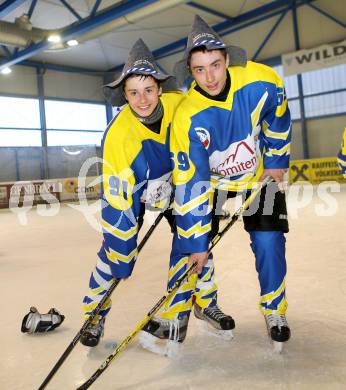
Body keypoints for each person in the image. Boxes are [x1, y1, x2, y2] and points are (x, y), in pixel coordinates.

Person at [81, 39, 234, 349]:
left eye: (148, 89)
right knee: (113, 254)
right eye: (133, 92)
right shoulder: (118, 134)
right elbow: (117, 198)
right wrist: (122, 249)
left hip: (180, 184)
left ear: (160, 88)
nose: (142, 99)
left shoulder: (181, 105)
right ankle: (93, 315)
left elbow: (213, 134)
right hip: (137, 193)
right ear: (124, 95)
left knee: (197, 239)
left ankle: (204, 302)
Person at [165, 15, 292, 344]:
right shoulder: (187, 117)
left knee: (269, 242)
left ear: (227, 61)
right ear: (190, 72)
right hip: (211, 186)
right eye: (199, 69)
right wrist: (196, 242)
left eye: (215, 65)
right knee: (194, 244)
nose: (209, 77)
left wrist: (277, 159)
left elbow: (278, 112)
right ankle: (202, 304)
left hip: (257, 177)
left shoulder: (261, 80)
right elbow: (192, 181)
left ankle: (274, 307)